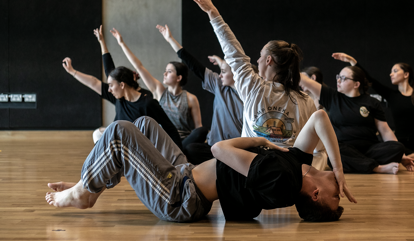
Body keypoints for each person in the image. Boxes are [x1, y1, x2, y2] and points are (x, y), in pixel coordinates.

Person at [45, 111, 356, 222]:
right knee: (145, 125)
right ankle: (89, 184)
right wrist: (339, 171)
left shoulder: (282, 180)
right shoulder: (297, 163)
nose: (340, 189)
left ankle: (83, 193)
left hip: (179, 197)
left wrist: (256, 140)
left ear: (315, 195)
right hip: (184, 172)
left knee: (119, 132)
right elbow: (319, 118)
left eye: (336, 194)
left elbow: (220, 149)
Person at [188, 0, 328, 169]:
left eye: (261, 55)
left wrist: (212, 12)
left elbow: (233, 52)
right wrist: (308, 177)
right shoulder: (305, 100)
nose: (258, 59)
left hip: (252, 170)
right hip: (287, 173)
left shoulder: (253, 86)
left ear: (268, 60)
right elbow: (319, 150)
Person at [332, 53, 414, 162]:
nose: (391, 74)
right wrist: (354, 62)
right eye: (391, 71)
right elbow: (371, 81)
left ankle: (413, 157)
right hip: (400, 142)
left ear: (406, 74)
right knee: (380, 142)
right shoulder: (391, 95)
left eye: (395, 71)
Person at [300, 64, 414, 174]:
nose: (338, 80)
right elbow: (305, 80)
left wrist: (401, 155)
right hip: (345, 148)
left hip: (370, 148)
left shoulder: (372, 102)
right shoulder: (332, 97)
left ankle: (357, 164)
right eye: (338, 77)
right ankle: (377, 168)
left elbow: (385, 130)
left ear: (356, 84)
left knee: (398, 147)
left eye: (343, 78)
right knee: (334, 152)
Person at [156, 24, 245, 164]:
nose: (220, 75)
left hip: (236, 150)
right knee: (191, 149)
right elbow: (193, 64)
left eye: (223, 72)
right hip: (214, 147)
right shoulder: (219, 85)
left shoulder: (248, 94)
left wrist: (223, 63)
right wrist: (170, 39)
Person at [108, 28, 208, 150]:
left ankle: (183, 152)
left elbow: (198, 128)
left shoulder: (191, 98)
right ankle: (181, 154)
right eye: (165, 71)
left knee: (201, 132)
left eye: (169, 71)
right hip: (165, 139)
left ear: (179, 77)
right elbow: (139, 67)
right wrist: (121, 43)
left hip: (184, 142)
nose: (164, 74)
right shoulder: (160, 91)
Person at [61, 58, 181, 148]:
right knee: (98, 133)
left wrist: (180, 157)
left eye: (111, 85)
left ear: (122, 85)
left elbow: (170, 129)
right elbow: (94, 82)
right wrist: (72, 71)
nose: (109, 90)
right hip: (120, 147)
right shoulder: (119, 99)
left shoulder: (148, 103)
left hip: (139, 149)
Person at [91, 25, 153, 142]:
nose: (110, 89)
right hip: (119, 135)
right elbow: (109, 71)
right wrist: (102, 42)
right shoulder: (120, 95)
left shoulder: (146, 98)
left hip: (135, 139)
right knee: (97, 134)